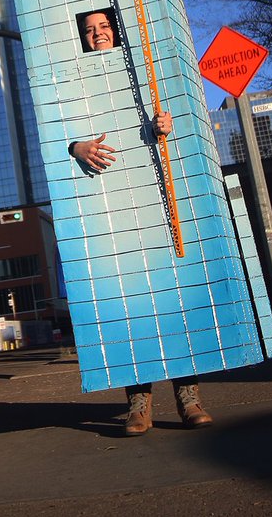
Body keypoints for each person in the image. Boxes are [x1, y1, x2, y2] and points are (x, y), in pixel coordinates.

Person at [68, 111, 214, 435]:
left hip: (160, 202)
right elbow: (56, 135)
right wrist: (75, 147)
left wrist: (170, 127)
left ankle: (188, 397)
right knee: (132, 308)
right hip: (111, 210)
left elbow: (194, 135)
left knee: (174, 303)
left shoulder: (156, 86)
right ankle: (138, 402)